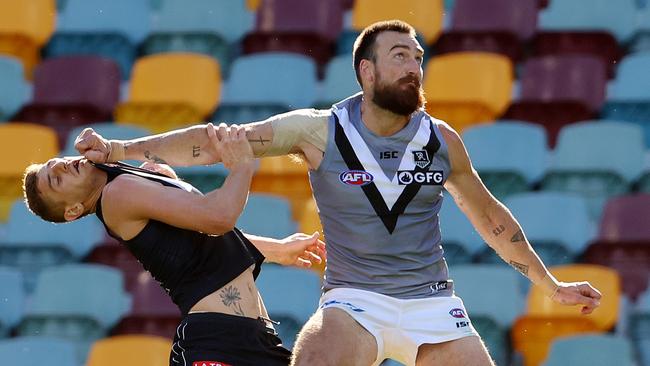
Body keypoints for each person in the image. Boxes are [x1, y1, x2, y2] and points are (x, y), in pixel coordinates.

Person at [73, 20, 602, 366]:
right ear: (366, 71)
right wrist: (121, 147)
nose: (413, 66)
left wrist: (549, 284)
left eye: (418, 57)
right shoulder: (318, 130)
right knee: (315, 359)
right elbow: (213, 145)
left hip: (434, 304)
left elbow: (493, 220)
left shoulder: (442, 140)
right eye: (400, 56)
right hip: (355, 301)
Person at [22, 124, 326, 366]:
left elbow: (200, 242)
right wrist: (243, 165)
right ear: (73, 210)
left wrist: (277, 249)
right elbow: (218, 217)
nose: (62, 166)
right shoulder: (117, 194)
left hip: (249, 338)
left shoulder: (124, 176)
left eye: (55, 164)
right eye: (56, 180)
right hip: (219, 343)